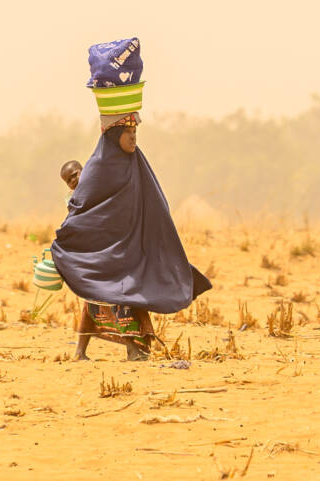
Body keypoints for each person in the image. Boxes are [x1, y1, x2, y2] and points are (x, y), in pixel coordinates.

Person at [52, 38, 211, 361]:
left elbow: (151, 202)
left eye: (136, 133)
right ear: (114, 135)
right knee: (113, 295)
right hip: (107, 251)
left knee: (117, 294)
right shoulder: (99, 166)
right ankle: (125, 350)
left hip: (129, 248)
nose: (133, 138)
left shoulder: (135, 163)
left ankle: (128, 349)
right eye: (129, 134)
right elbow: (83, 206)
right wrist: (69, 240)